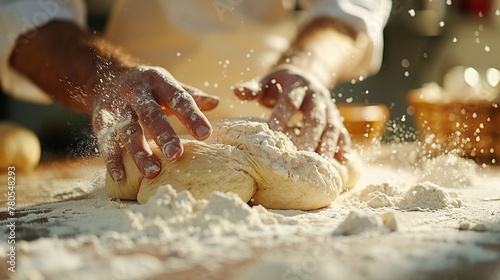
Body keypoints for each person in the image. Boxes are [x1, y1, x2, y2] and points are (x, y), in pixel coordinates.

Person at [0, 0, 392, 183]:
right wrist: (102, 77)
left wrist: (310, 67)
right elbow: (24, 8)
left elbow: (349, 6)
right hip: (139, 133)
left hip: (276, 126)